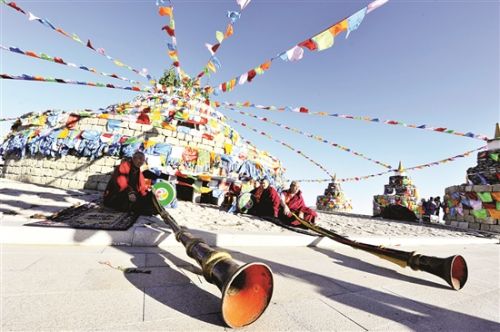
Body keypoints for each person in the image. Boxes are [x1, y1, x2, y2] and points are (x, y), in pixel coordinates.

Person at [103, 151, 157, 215]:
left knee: (149, 196)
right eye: (139, 159)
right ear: (133, 158)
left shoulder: (138, 170)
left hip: (133, 194)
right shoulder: (123, 166)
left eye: (143, 160)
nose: (141, 162)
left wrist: (147, 190)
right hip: (117, 195)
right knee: (129, 201)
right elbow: (121, 183)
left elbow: (141, 186)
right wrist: (130, 192)